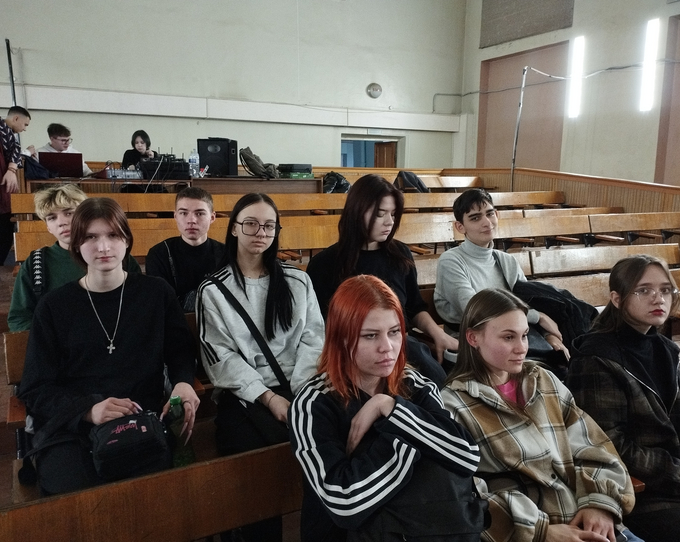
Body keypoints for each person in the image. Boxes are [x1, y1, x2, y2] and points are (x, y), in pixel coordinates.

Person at [17, 197, 199, 496]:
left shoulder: (155, 293)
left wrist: (183, 382)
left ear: (126, 240)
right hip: (75, 429)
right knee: (76, 494)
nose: (103, 247)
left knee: (154, 493)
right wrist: (89, 410)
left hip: (142, 421)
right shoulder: (54, 306)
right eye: (91, 237)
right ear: (77, 244)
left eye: (113, 235)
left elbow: (179, 349)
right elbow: (35, 388)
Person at [289, 275, 486, 541]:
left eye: (394, 332)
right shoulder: (313, 403)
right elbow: (345, 503)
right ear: (342, 338)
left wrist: (390, 407)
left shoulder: (414, 384)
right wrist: (414, 441)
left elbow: (466, 456)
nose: (387, 348)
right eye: (370, 336)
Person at [442, 288, 640, 542]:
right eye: (508, 337)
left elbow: (592, 446)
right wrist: (541, 531)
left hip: (586, 519)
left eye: (525, 335)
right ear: (473, 338)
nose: (521, 348)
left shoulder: (543, 380)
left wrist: (599, 503)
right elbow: (466, 495)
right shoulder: (453, 405)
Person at [197, 192, 324, 542]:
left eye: (269, 225)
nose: (260, 232)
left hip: (301, 387)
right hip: (246, 395)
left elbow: (314, 339)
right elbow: (222, 358)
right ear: (234, 228)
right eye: (251, 224)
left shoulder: (298, 281)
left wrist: (300, 395)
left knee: (331, 445)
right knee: (256, 468)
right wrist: (269, 398)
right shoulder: (214, 290)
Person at [566, 255, 680, 541]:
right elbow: (611, 445)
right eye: (644, 290)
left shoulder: (663, 347)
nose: (658, 298)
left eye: (665, 290)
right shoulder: (596, 358)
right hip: (641, 492)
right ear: (617, 298)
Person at [306, 174, 454, 387]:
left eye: (393, 214)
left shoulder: (400, 254)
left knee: (443, 376)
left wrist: (439, 335)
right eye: (380, 214)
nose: (389, 222)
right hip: (354, 356)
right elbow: (323, 328)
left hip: (399, 346)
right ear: (357, 213)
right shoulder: (325, 264)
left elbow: (414, 308)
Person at [434, 188, 568, 359]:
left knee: (562, 361)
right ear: (460, 227)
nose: (487, 222)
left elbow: (526, 304)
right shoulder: (451, 261)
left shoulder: (506, 260)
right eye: (475, 218)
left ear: (497, 215)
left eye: (490, 214)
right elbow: (477, 311)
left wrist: (549, 336)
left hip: (515, 338)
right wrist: (538, 317)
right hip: (474, 341)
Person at [8, 185, 142, 332]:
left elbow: (138, 303)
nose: (61, 222)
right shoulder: (37, 263)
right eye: (52, 218)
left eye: (69, 213)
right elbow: (19, 318)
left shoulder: (115, 257)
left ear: (86, 216)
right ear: (48, 227)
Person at [146, 187, 223, 311]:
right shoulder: (159, 254)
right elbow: (160, 304)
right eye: (183, 213)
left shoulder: (226, 254)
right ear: (175, 216)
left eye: (199, 213)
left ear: (212, 217)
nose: (191, 220)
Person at [0, 106, 31, 263]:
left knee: (6, 229)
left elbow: (16, 150)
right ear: (16, 118)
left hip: (4, 189)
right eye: (25, 124)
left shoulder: (8, 135)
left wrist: (11, 169)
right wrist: (12, 169)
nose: (24, 129)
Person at [25, 123, 92, 176]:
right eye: (63, 140)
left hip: (71, 186)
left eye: (68, 140)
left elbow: (85, 170)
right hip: (47, 186)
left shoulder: (75, 153)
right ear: (52, 139)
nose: (67, 143)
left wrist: (91, 174)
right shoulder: (38, 154)